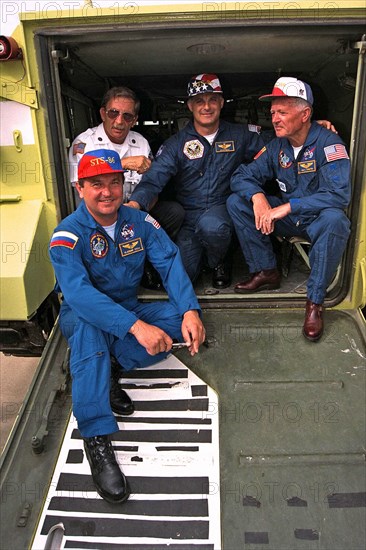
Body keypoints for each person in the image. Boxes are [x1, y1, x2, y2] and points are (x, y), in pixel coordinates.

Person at [49, 149, 205, 503]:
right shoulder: (66, 235)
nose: (107, 192)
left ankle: (110, 368)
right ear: (80, 187)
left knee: (180, 324)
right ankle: (96, 438)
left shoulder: (139, 223)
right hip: (84, 314)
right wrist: (136, 327)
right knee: (90, 335)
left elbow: (167, 261)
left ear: (123, 185)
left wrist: (190, 311)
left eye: (114, 183)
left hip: (128, 308)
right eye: (96, 184)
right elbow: (80, 294)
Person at [227, 76, 351, 341]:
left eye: (283, 112)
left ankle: (315, 303)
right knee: (237, 201)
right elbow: (240, 177)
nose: (275, 119)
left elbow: (339, 195)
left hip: (316, 220)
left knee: (335, 220)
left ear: (305, 114)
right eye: (272, 113)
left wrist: (288, 206)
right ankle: (266, 271)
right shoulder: (277, 146)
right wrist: (259, 197)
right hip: (288, 218)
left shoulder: (329, 144)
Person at [126, 73, 266, 289]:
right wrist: (135, 204)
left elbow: (277, 148)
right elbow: (154, 178)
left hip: (222, 211)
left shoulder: (240, 135)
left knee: (213, 227)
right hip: (190, 218)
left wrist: (310, 129)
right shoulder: (176, 144)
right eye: (199, 101)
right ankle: (204, 256)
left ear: (221, 102)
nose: (206, 106)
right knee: (180, 280)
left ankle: (220, 259)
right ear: (190, 106)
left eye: (212, 100)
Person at [69, 86, 185, 288]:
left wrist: (136, 208)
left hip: (133, 208)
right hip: (99, 213)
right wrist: (123, 164)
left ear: (134, 119)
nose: (119, 121)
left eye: (127, 115)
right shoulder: (84, 143)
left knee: (174, 212)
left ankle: (145, 263)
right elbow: (82, 180)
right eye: (114, 113)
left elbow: (152, 186)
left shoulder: (140, 142)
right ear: (103, 113)